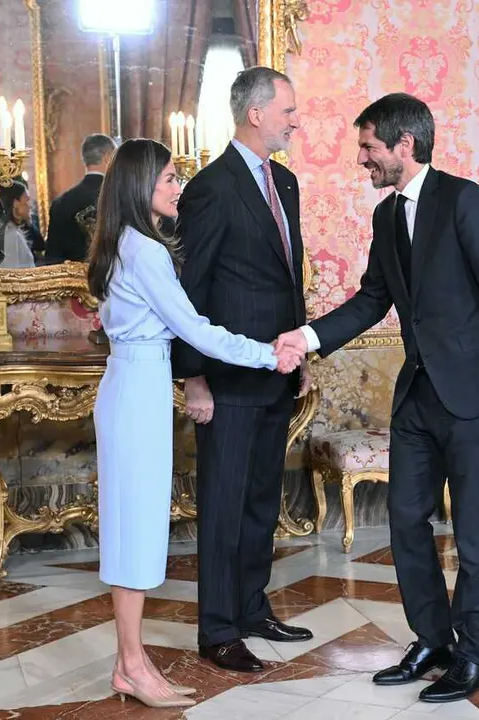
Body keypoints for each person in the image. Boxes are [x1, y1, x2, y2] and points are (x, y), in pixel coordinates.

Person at [275, 93, 479, 703]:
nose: (361, 159)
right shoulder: (387, 217)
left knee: (476, 536)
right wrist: (306, 338)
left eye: (369, 147)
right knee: (404, 521)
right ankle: (434, 640)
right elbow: (373, 300)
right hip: (418, 398)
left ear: (404, 145)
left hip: (478, 398)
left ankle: (475, 655)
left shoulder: (465, 201)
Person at [86, 138, 301, 708]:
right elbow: (197, 330)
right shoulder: (145, 251)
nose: (178, 188)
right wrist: (268, 355)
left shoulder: (121, 243)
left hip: (132, 386)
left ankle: (129, 662)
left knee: (132, 529)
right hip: (137, 394)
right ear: (140, 187)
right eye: (169, 179)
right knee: (135, 533)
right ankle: (133, 665)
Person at [170, 66, 313, 673]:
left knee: (260, 501)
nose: (295, 121)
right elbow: (191, 291)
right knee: (224, 505)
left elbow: (289, 276)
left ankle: (253, 608)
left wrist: (301, 353)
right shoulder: (210, 187)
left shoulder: (286, 182)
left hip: (277, 371)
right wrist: (193, 376)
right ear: (255, 114)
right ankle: (218, 629)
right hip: (226, 379)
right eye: (288, 111)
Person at [48, 133, 118, 262]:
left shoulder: (61, 203)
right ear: (108, 157)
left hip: (70, 274)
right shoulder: (119, 198)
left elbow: (52, 257)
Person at [0, 181, 36, 269]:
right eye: (27, 200)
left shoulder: (8, 232)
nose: (30, 206)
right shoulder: (9, 235)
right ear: (16, 203)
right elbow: (10, 274)